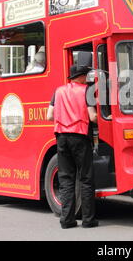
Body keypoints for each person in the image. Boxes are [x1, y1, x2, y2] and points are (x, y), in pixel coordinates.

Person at [47, 64, 98, 229]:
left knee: (66, 179)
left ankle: (67, 220)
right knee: (85, 178)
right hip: (80, 136)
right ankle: (88, 220)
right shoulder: (87, 91)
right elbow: (92, 117)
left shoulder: (58, 91)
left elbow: (49, 116)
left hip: (61, 137)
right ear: (82, 76)